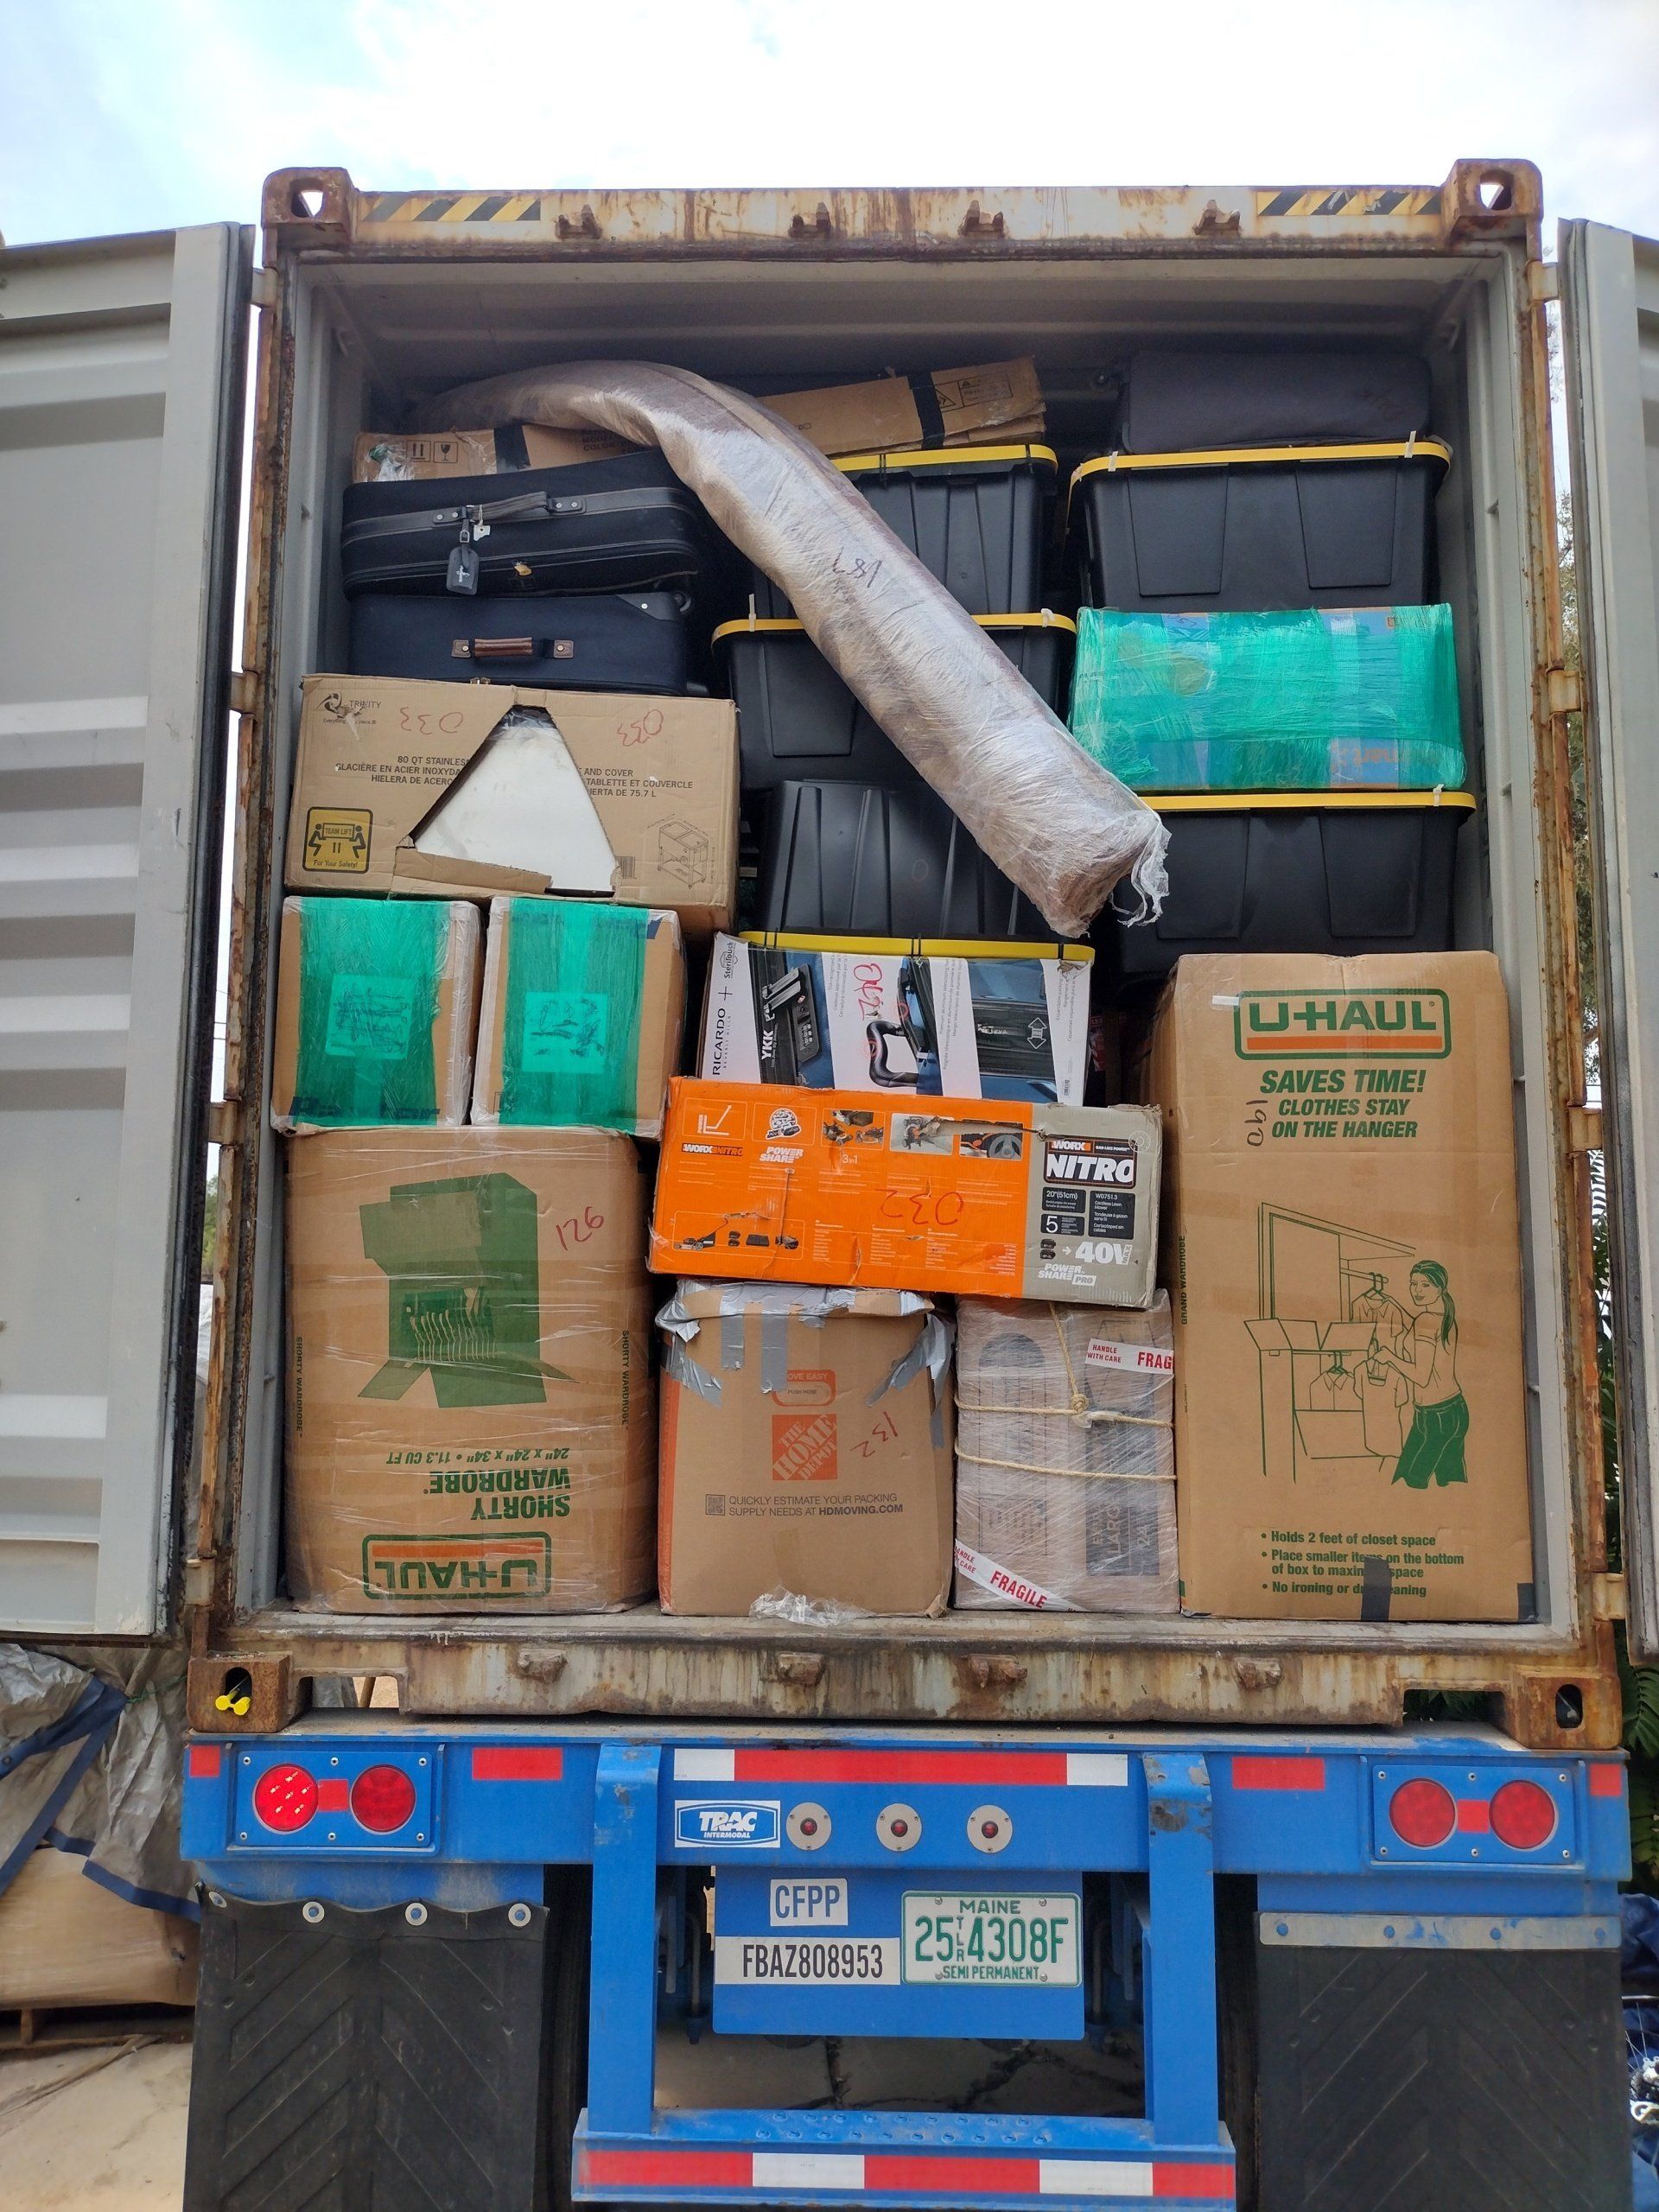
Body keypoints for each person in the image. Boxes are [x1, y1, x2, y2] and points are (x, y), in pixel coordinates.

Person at [1365, 1260, 1468, 1489]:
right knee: (1451, 1488)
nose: (1417, 1291)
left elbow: (1421, 1376)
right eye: (1413, 1284)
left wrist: (1389, 1358)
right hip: (1451, 1412)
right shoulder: (1444, 1318)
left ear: (1440, 1289)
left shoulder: (1426, 1320)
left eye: (1425, 1285)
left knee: (1408, 1483)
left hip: (1436, 1417)